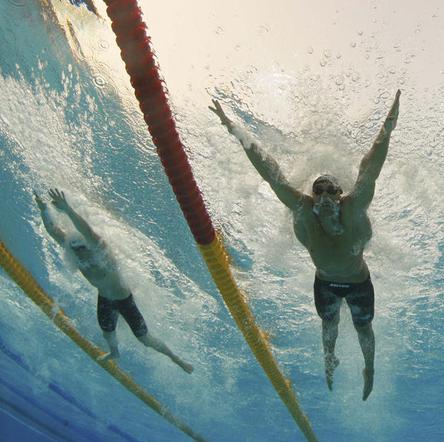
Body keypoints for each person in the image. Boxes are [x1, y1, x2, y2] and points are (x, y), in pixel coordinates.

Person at [209, 90, 400, 400]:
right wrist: (234, 128)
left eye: (330, 190)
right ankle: (329, 359)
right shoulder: (302, 209)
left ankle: (370, 368)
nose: (323, 196)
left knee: (363, 328)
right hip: (325, 283)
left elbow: (372, 164)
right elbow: (270, 171)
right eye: (318, 191)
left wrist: (389, 125)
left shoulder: (354, 209)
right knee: (329, 326)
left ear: (341, 195)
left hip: (358, 283)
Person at [35, 189, 193, 373]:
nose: (79, 252)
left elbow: (87, 231)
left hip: (124, 300)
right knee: (107, 332)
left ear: (88, 245)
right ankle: (114, 353)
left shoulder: (103, 253)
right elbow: (53, 231)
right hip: (105, 299)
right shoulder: (75, 253)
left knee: (144, 339)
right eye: (75, 249)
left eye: (82, 248)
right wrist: (44, 208)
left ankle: (176, 359)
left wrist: (67, 210)